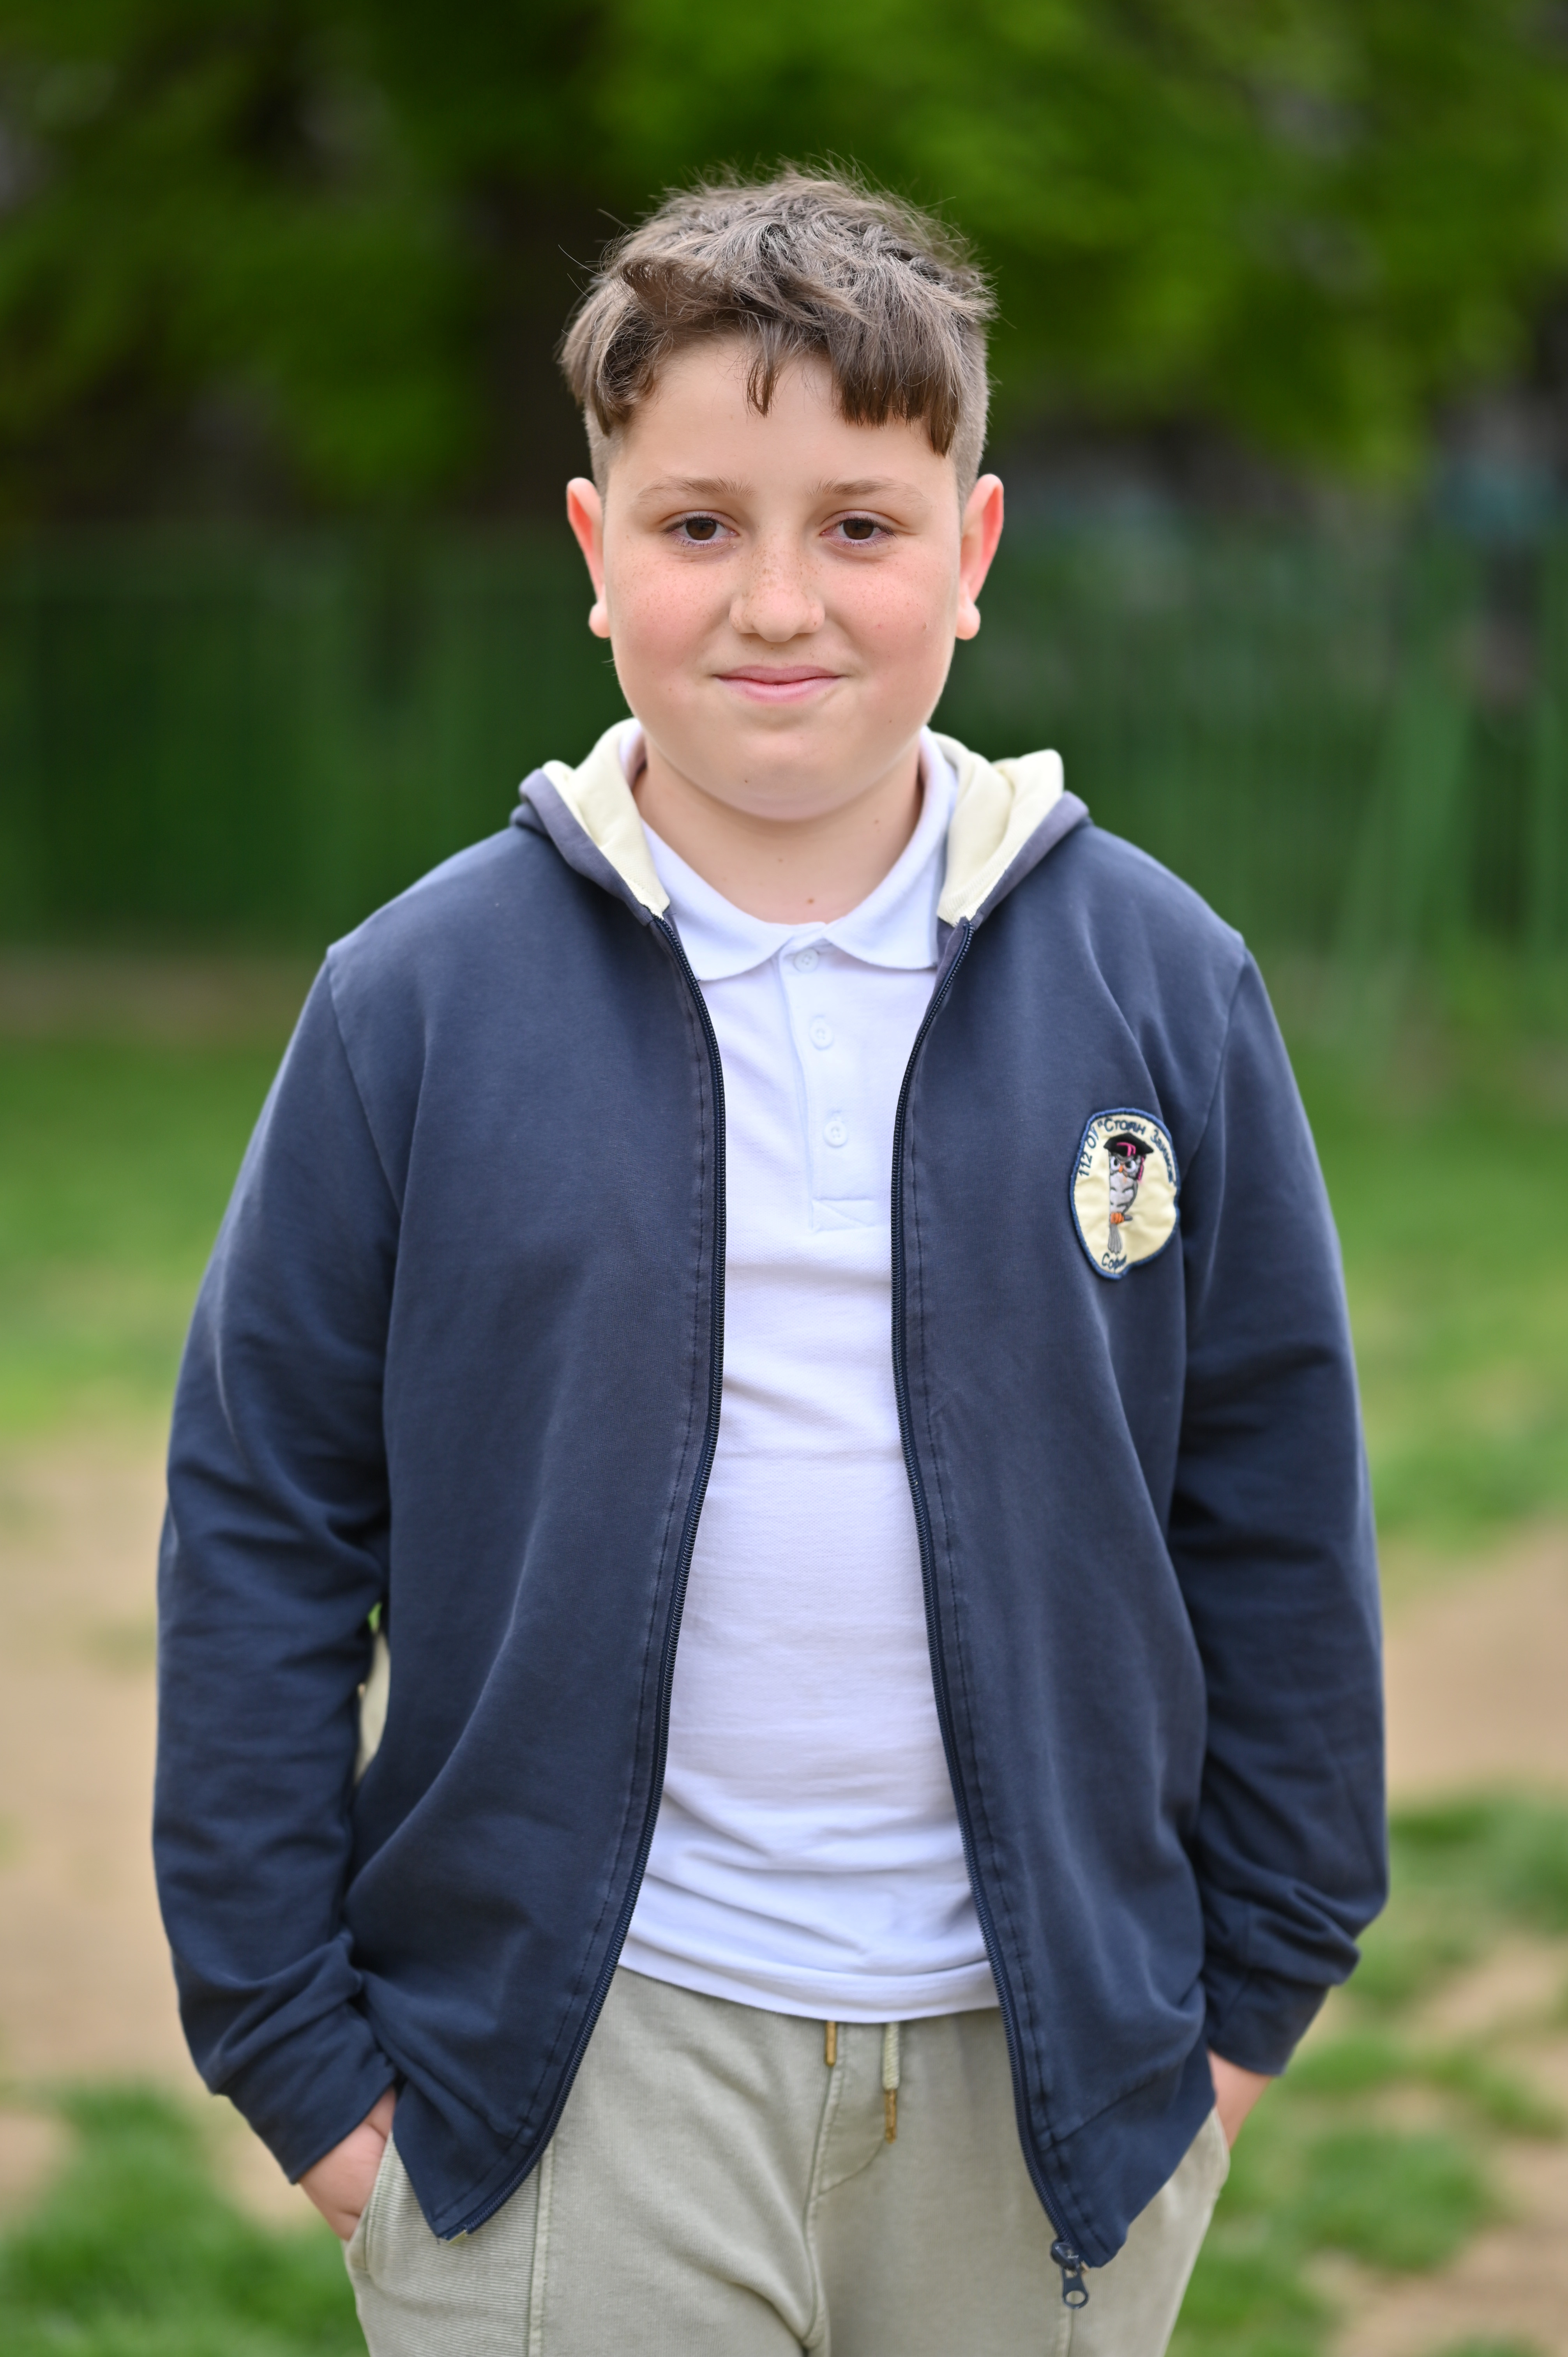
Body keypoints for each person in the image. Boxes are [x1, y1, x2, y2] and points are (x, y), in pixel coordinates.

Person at [154, 170, 1386, 2357]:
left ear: (972, 554)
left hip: (1053, 2082)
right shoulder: (414, 1002)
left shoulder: (1158, 982)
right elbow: (263, 1521)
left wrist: (1243, 2011)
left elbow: (1272, 1497)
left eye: (859, 524)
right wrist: (301, 2062)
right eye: (701, 522)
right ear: (593, 549)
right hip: (567, 2076)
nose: (778, 601)